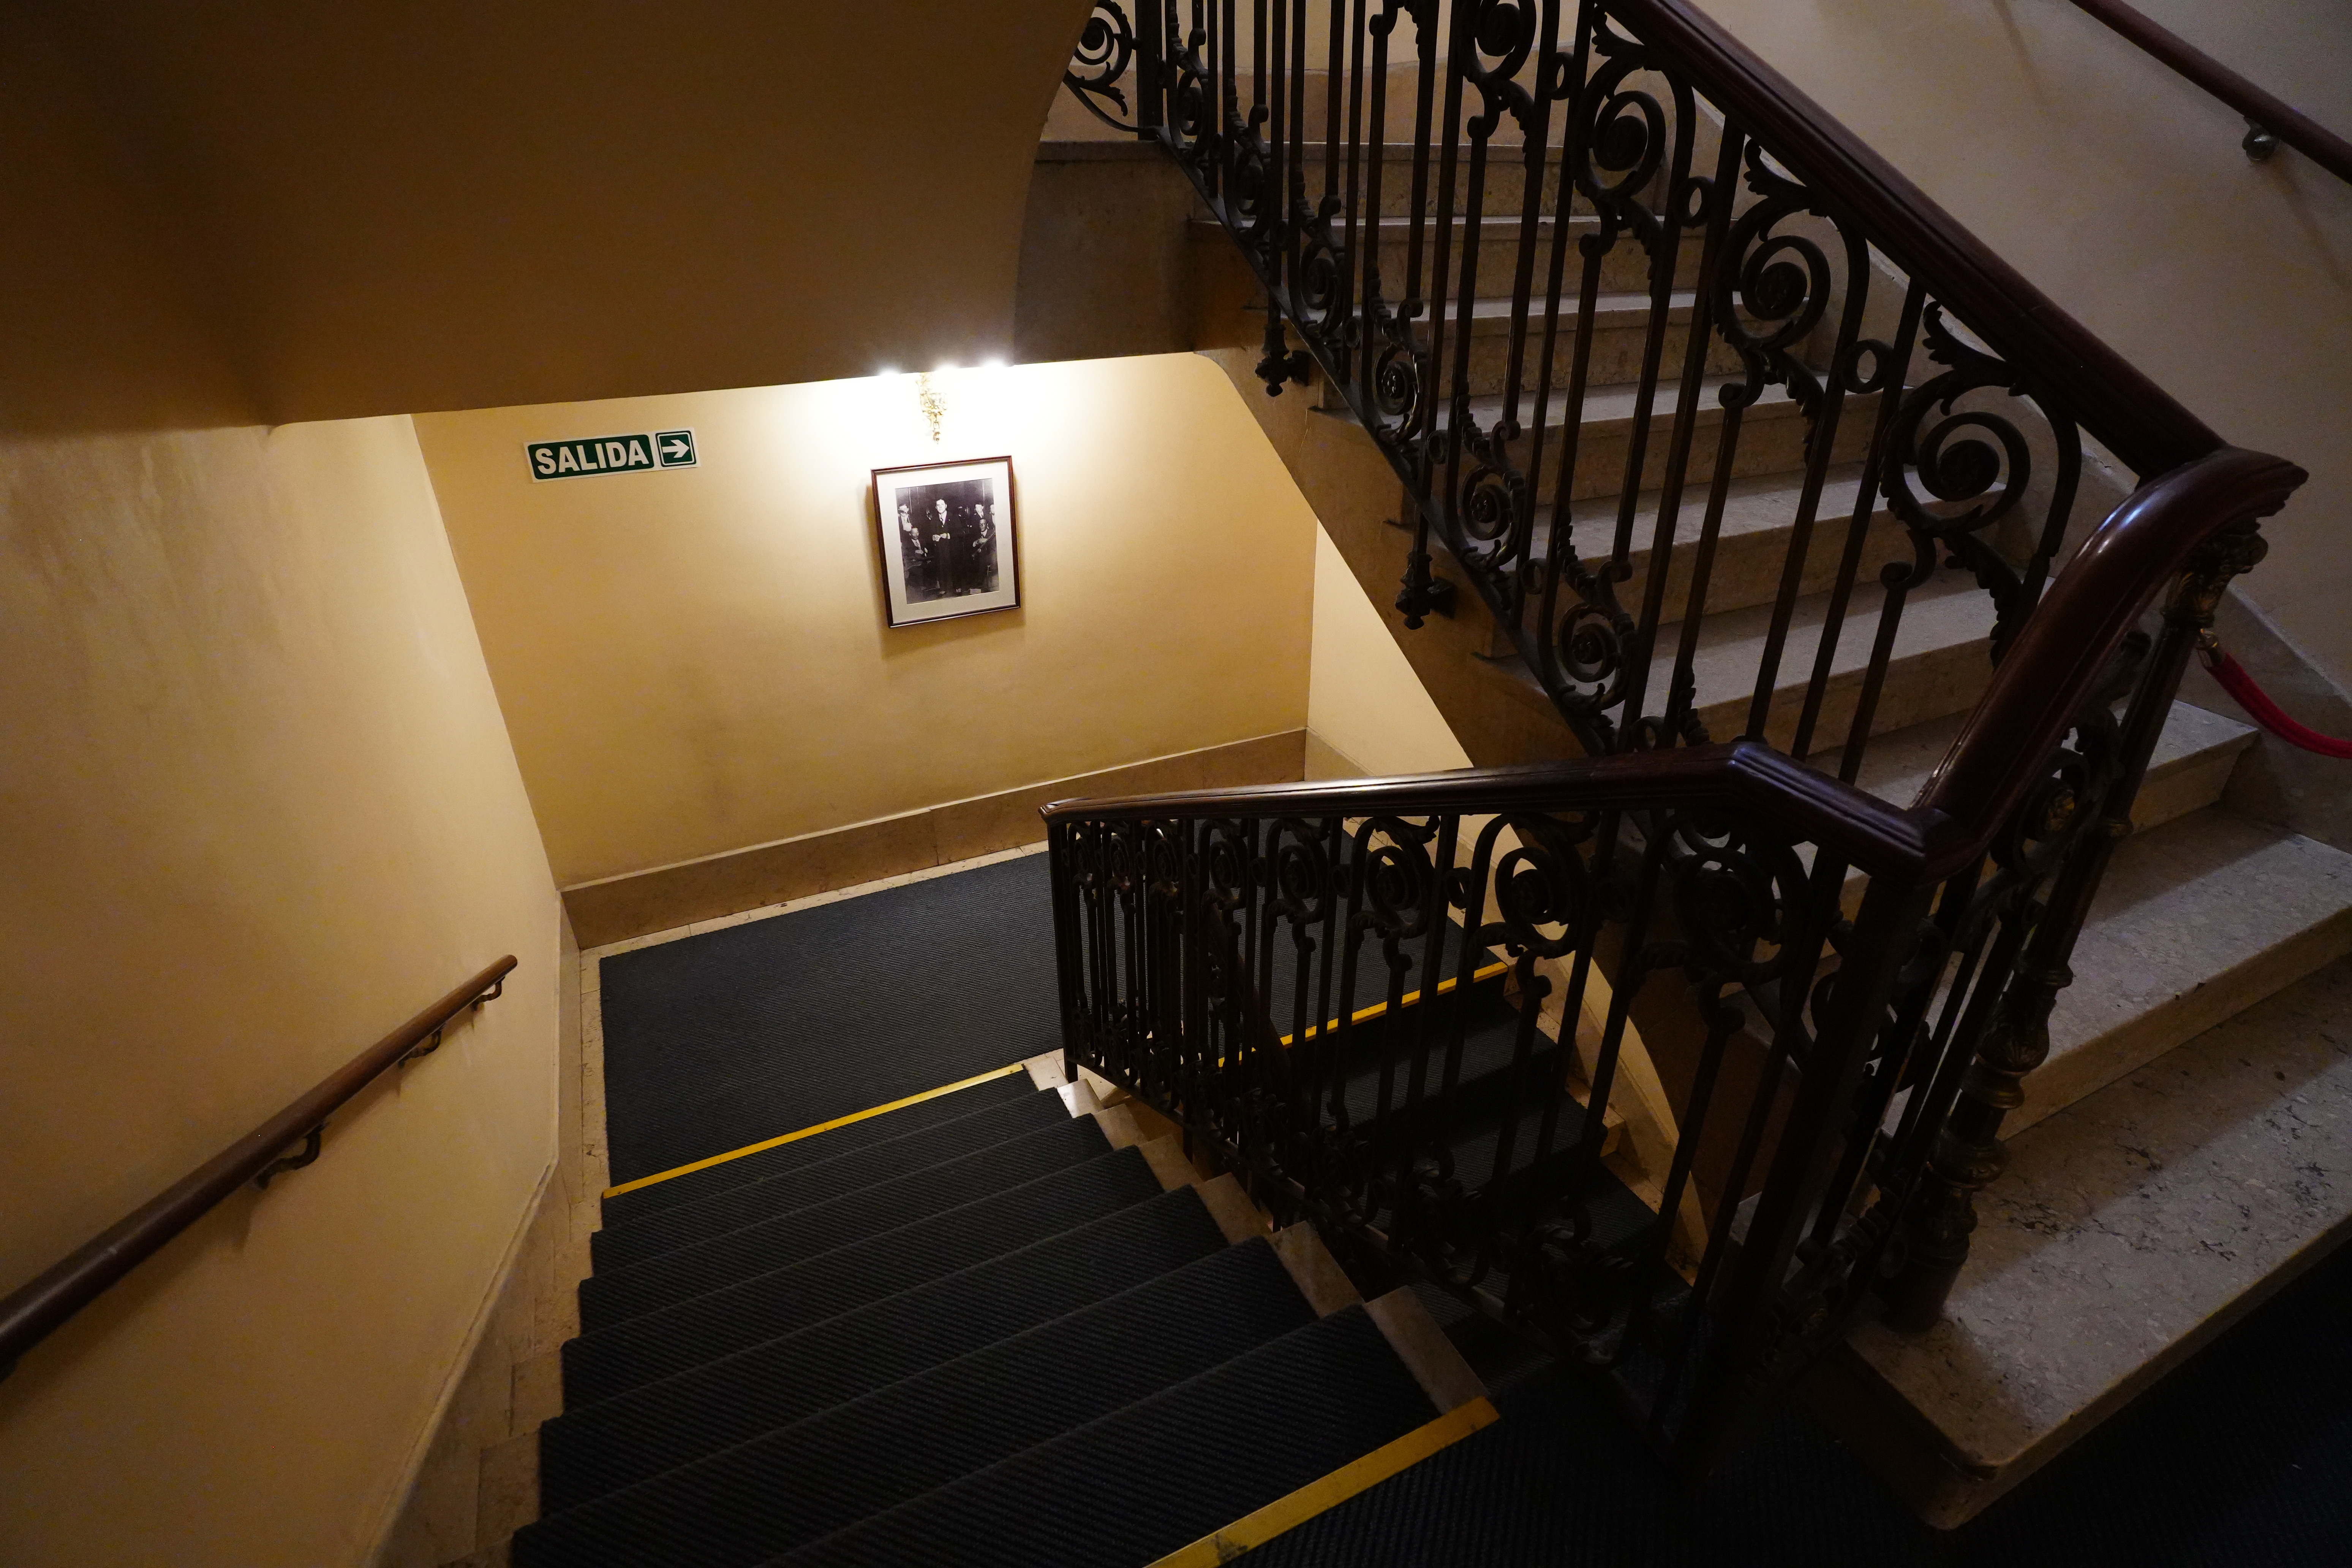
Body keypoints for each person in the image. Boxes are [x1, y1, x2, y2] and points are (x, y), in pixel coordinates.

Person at [896, 501, 931, 600]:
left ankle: (927, 588)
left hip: (914, 543)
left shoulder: (913, 519)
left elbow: (918, 532)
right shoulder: (896, 520)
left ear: (908, 509)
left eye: (905, 509)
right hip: (902, 545)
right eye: (901, 510)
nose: (903, 512)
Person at [928, 497, 956, 596]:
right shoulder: (934, 520)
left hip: (951, 548)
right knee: (941, 567)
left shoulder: (953, 517)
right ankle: (943, 588)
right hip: (939, 549)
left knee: (951, 567)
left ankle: (954, 587)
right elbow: (930, 535)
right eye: (938, 506)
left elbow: (960, 533)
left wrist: (948, 535)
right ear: (936, 507)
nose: (940, 507)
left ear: (946, 506)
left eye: (942, 505)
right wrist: (933, 537)